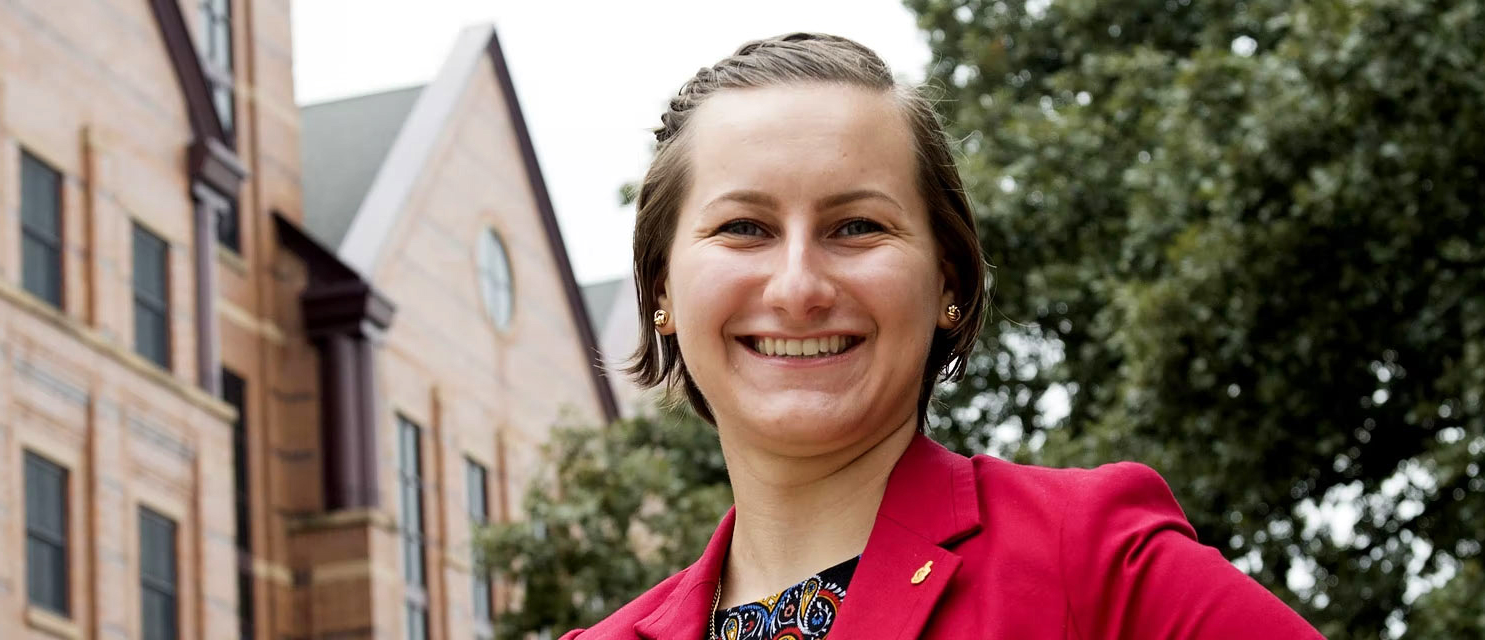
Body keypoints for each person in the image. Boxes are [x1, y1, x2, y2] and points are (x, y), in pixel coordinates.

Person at [562, 33, 1324, 639]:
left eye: (856, 226)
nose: (798, 288)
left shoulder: (1094, 565)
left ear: (949, 285)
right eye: (743, 228)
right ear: (661, 291)